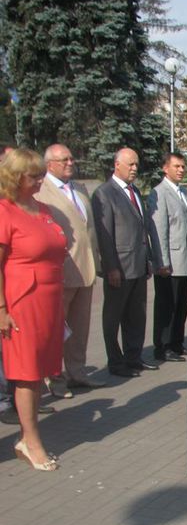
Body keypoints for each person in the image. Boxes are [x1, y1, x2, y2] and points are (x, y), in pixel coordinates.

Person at [0, 149, 66, 471]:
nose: (41, 179)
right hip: (22, 300)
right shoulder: (5, 212)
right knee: (26, 373)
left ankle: (30, 435)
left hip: (49, 298)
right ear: (16, 178)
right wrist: (1, 309)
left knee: (39, 370)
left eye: (42, 173)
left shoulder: (42, 209)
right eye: (35, 175)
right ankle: (30, 441)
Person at [34, 143, 103, 396]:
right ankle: (54, 379)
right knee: (55, 330)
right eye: (64, 160)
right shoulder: (42, 191)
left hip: (85, 269)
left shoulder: (79, 189)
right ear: (49, 164)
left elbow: (89, 230)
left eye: (72, 159)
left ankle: (78, 372)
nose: (70, 163)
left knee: (80, 327)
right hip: (60, 271)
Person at [92, 148, 157, 377]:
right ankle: (116, 362)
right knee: (113, 316)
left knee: (136, 316)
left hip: (138, 265)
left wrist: (148, 258)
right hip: (119, 267)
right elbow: (104, 234)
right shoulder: (104, 193)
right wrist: (111, 267)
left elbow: (142, 229)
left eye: (137, 165)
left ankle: (134, 357)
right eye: (130, 164)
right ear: (116, 164)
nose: (134, 169)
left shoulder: (135, 192)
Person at [147, 152, 187, 363]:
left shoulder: (183, 192)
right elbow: (159, 229)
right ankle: (163, 346)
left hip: (186, 260)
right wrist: (162, 261)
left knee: (182, 304)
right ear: (166, 168)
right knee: (167, 306)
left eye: (183, 166)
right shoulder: (159, 193)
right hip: (170, 262)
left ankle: (176, 342)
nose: (181, 170)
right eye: (176, 166)